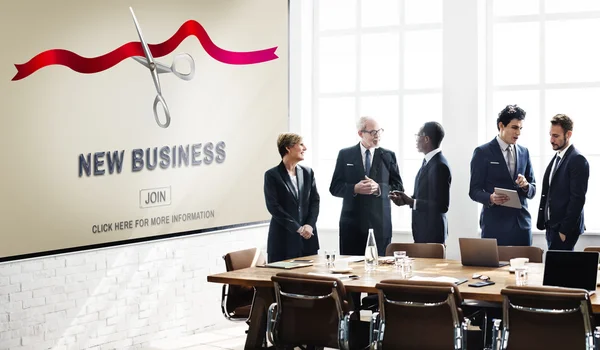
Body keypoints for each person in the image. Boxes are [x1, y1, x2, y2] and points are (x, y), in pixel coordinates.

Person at [329, 116, 403, 257]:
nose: (378, 135)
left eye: (380, 131)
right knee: (351, 272)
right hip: (351, 225)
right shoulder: (345, 154)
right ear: (360, 133)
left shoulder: (388, 155)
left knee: (381, 269)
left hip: (380, 225)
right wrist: (354, 189)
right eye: (373, 132)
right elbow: (335, 187)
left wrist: (379, 188)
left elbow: (398, 187)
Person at [469, 105, 536, 246]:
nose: (518, 133)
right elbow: (474, 191)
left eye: (520, 128)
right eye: (514, 127)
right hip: (495, 227)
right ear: (501, 125)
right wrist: (491, 198)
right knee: (493, 268)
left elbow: (533, 189)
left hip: (522, 226)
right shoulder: (482, 152)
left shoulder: (524, 152)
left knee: (525, 268)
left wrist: (525, 186)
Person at [390, 122, 451, 244]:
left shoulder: (439, 165)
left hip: (432, 235)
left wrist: (411, 202)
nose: (416, 140)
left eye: (418, 136)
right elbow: (425, 196)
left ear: (426, 139)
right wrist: (405, 200)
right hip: (422, 232)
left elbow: (442, 206)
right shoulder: (428, 162)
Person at [264, 133, 320, 263]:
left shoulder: (308, 173)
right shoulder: (272, 175)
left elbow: (315, 201)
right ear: (288, 148)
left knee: (310, 281)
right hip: (282, 241)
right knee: (284, 281)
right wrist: (298, 228)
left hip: (308, 239)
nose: (304, 148)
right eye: (301, 144)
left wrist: (310, 225)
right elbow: (274, 207)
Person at [537, 114, 589, 251]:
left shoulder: (577, 159)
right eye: (550, 135)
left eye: (556, 136)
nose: (551, 140)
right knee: (555, 269)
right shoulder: (558, 156)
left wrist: (564, 230)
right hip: (552, 227)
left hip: (564, 229)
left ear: (569, 134)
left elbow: (577, 199)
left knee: (560, 270)